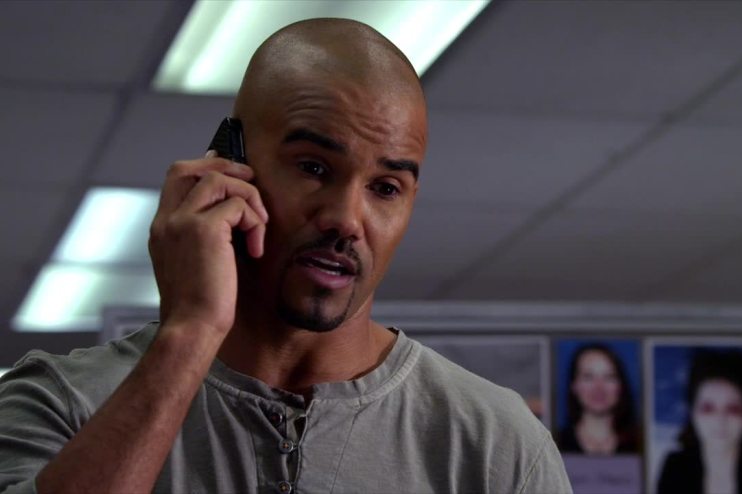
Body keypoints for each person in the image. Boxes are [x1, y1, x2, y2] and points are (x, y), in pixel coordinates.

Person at [0, 19, 571, 494]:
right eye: (314, 168)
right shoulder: (61, 401)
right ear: (227, 163)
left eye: (385, 188)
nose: (347, 219)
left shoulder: (494, 443)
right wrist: (191, 332)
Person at [656, 349, 742, 494]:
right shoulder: (675, 468)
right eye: (708, 409)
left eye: (733, 410)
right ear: (692, 415)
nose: (720, 420)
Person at [557, 344, 639, 455]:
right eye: (588, 377)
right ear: (574, 385)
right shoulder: (555, 443)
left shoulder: (639, 443)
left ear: (620, 386)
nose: (599, 387)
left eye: (609, 377)